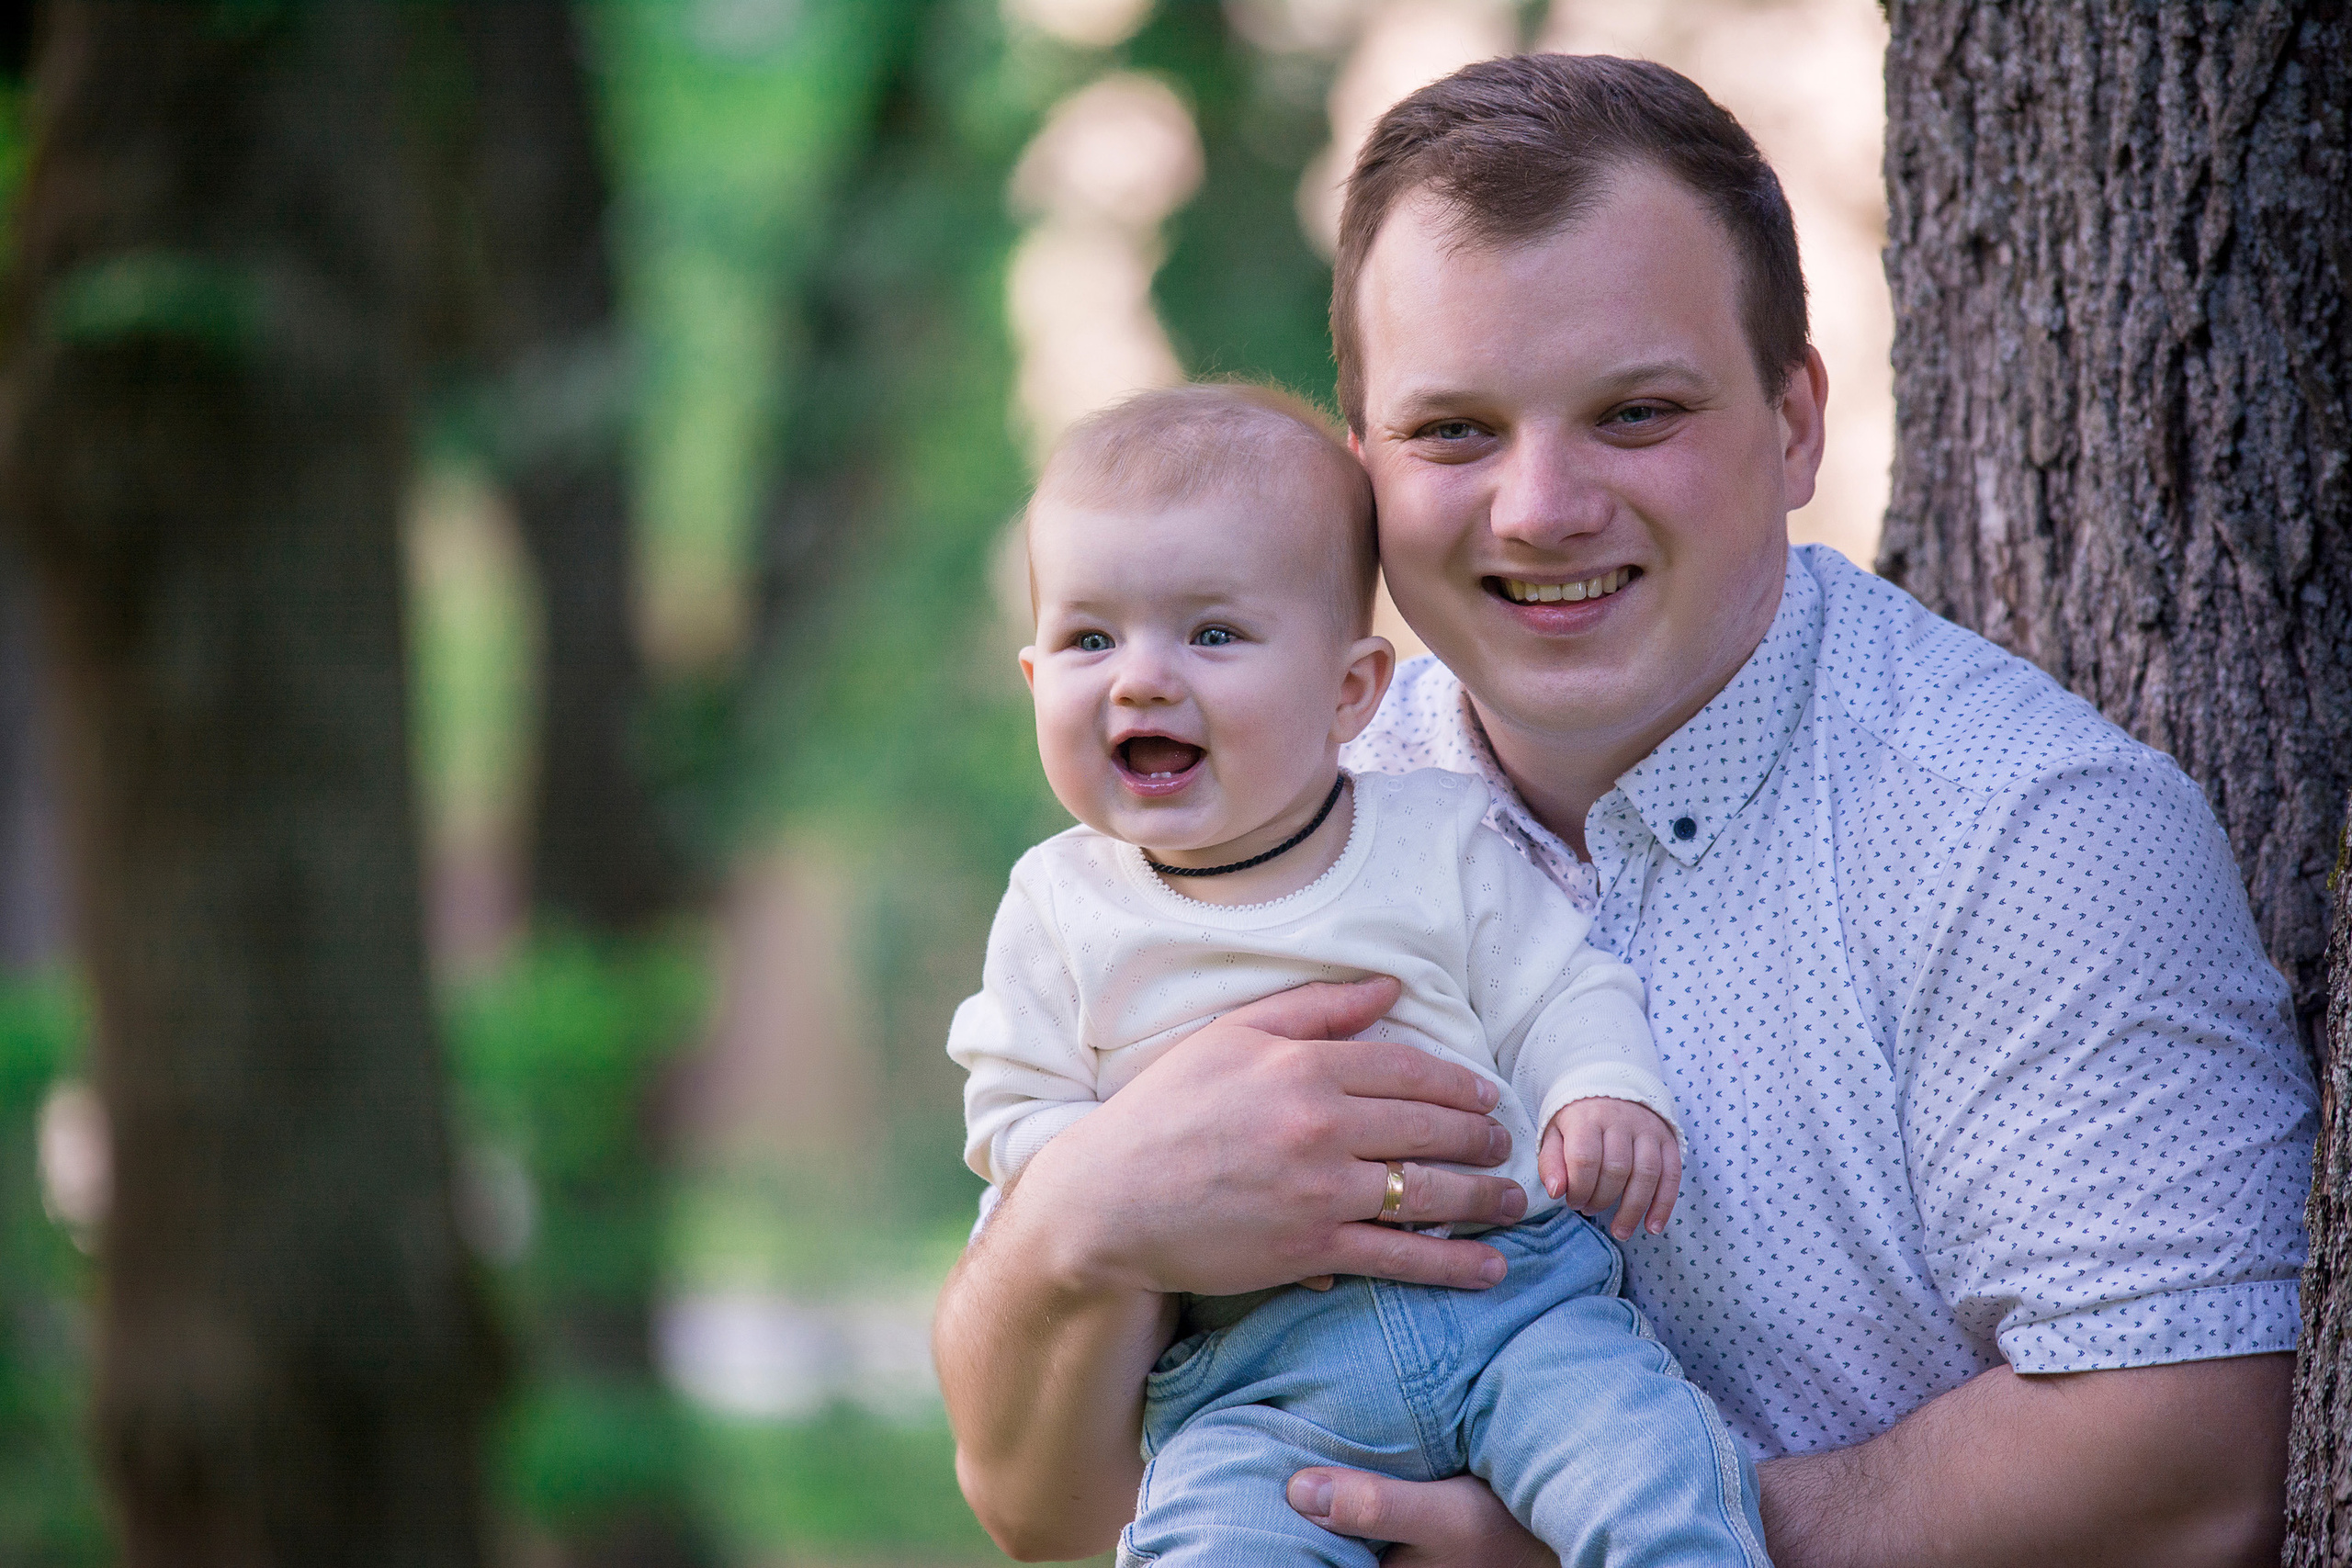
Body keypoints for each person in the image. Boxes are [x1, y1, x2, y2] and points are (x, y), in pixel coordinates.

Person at [934, 53, 2317, 1568]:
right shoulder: (1270, 804)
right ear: (1361, 471)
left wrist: (1589, 1540)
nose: (1540, 507)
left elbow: (2192, 1463)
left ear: (1794, 423)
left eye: (1635, 413)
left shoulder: (2033, 840)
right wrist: (1088, 1218)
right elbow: (1045, 1507)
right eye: (1454, 431)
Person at [951, 381, 1768, 1565]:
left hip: (1515, 1309)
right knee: (1201, 1544)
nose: (1138, 679)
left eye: (1212, 633)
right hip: (1256, 1383)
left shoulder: (1437, 837)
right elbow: (1015, 1120)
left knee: (1651, 1479)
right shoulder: (1057, 909)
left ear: (1352, 691)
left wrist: (1600, 1087)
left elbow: (1561, 986)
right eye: (1090, 638)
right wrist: (1125, 1182)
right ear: (1035, 682)